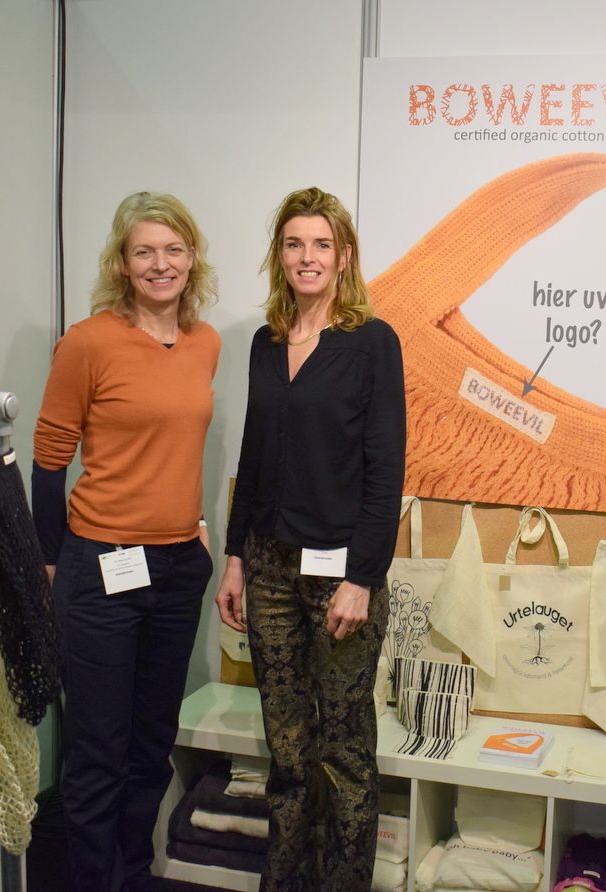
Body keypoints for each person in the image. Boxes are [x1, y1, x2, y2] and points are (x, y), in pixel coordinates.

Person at [215, 187, 406, 890]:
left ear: (344, 256)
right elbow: (253, 453)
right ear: (280, 255)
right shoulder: (267, 343)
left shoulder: (372, 342)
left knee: (344, 752)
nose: (307, 257)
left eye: (321, 244)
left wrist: (363, 578)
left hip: (340, 575)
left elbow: (386, 468)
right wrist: (235, 557)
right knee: (289, 750)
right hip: (268, 569)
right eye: (294, 243)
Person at [32, 192, 220, 891]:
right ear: (122, 262)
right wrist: (51, 562)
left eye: (173, 250)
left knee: (150, 746)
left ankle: (133, 875)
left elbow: (174, 446)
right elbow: (48, 463)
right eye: (144, 251)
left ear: (192, 257)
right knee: (98, 752)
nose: (160, 264)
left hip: (177, 570)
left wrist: (195, 531)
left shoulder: (205, 343)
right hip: (102, 566)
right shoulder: (87, 343)